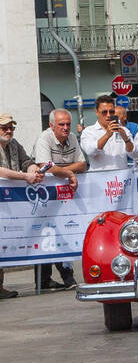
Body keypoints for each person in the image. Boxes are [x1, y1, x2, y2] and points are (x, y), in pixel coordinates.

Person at [31, 109, 86, 291]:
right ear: (51, 125)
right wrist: (69, 172)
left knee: (64, 232)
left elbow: (82, 164)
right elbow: (44, 166)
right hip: (42, 195)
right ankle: (44, 280)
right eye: (61, 124)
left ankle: (66, 276)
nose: (66, 128)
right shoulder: (43, 139)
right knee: (44, 234)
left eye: (68, 124)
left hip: (64, 194)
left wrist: (60, 171)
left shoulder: (72, 137)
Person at [0, 113, 48, 298]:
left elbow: (26, 161)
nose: (9, 131)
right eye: (5, 127)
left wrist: (34, 170)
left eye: (11, 127)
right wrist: (25, 176)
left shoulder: (14, 144)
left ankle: (0, 286)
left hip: (9, 203)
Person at [81, 94, 136, 170]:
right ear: (96, 112)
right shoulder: (88, 132)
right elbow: (90, 151)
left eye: (112, 112)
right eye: (104, 112)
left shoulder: (124, 130)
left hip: (120, 178)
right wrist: (107, 135)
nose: (108, 115)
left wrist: (126, 139)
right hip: (99, 179)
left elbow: (134, 154)